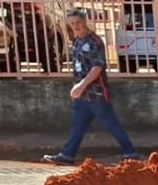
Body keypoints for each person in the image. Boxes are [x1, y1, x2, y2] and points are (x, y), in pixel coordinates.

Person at [44, 9, 138, 165]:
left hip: (96, 94)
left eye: (78, 22)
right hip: (82, 96)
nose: (75, 26)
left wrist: (81, 85)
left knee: (111, 124)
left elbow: (97, 67)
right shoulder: (76, 41)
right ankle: (67, 155)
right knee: (77, 126)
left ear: (84, 22)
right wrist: (78, 87)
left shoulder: (94, 41)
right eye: (72, 23)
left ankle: (130, 153)